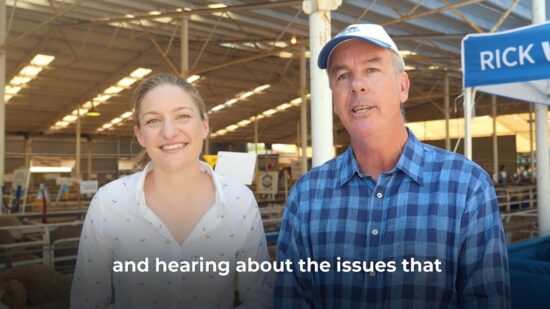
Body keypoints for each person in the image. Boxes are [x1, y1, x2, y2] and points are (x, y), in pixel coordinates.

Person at [274, 24, 510, 308]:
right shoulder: (307, 196)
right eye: (342, 75)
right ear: (334, 99)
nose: (357, 84)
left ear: (402, 87)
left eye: (372, 70)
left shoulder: (466, 186)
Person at [71, 73, 272, 308]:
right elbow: (86, 301)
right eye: (153, 121)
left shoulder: (240, 202)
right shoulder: (109, 203)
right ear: (140, 135)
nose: (169, 132)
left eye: (183, 116)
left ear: (204, 125)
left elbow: (260, 297)